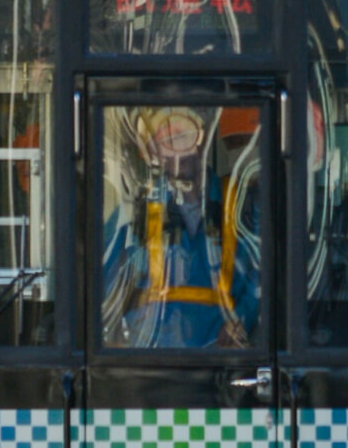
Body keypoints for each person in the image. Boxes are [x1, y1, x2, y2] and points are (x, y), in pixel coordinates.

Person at [102, 106, 261, 349]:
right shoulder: (135, 212)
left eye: (183, 135)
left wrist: (242, 319)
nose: (178, 151)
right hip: (151, 364)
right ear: (153, 152)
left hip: (224, 364)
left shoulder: (241, 202)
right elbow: (103, 288)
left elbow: (266, 270)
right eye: (166, 140)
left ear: (203, 139)